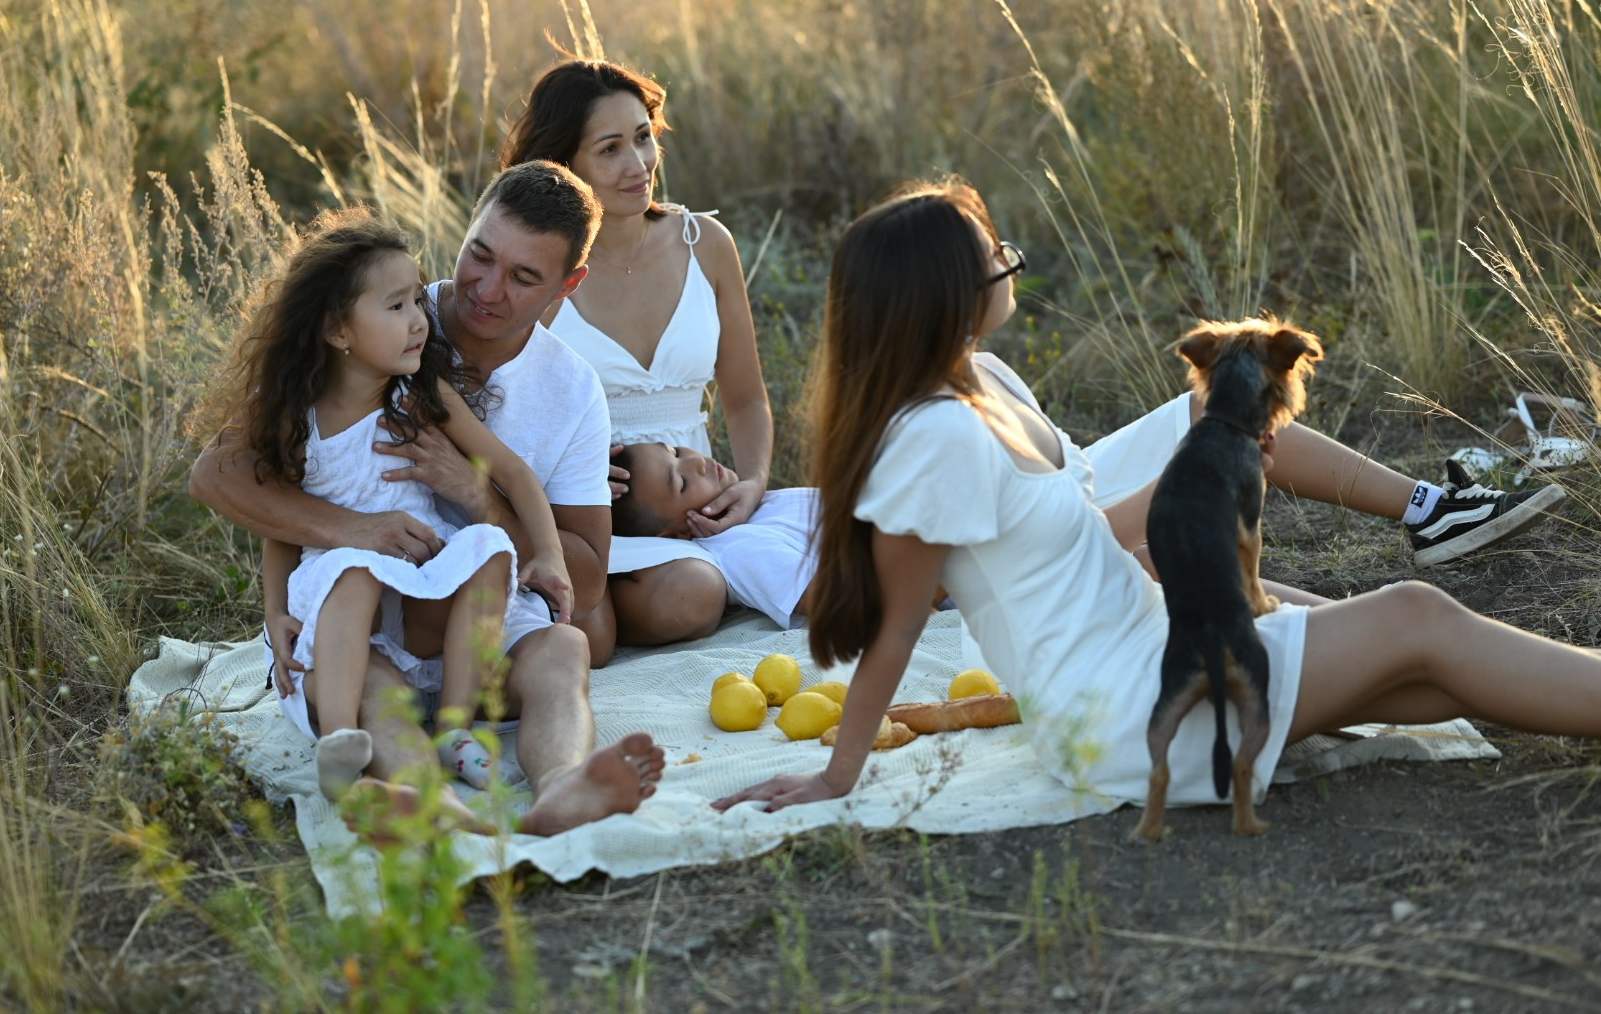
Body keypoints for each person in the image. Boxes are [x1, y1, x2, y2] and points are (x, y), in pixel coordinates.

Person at [714, 177, 1601, 818]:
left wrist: (1206, 456)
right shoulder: (930, 441)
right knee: (1414, 616)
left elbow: (1074, 535)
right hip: (1119, 708)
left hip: (1150, 630)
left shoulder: (987, 379)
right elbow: (901, 625)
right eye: (996, 260)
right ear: (950, 296)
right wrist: (839, 772)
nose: (1010, 266)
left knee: (1415, 661)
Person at [191, 162, 663, 837]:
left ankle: (561, 787)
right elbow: (219, 475)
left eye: (524, 278)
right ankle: (426, 801)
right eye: (481, 255)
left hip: (477, 612)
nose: (487, 290)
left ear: (568, 286)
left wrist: (478, 496)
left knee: (565, 649)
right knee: (368, 682)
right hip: (374, 619)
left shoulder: (571, 389)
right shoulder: (388, 315)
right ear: (467, 228)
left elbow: (583, 580)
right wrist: (356, 532)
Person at [500, 58, 775, 646]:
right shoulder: (536, 269)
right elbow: (498, 406)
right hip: (577, 506)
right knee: (634, 620)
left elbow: (746, 396)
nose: (638, 165)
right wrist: (562, 474)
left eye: (644, 138)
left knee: (693, 596)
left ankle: (615, 599)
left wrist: (751, 482)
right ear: (563, 162)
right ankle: (590, 601)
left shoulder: (707, 244)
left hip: (691, 497)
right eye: (610, 149)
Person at [610, 443, 816, 633]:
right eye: (683, 482)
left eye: (675, 452)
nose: (698, 462)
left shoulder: (755, 500)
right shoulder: (736, 547)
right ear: (676, 535)